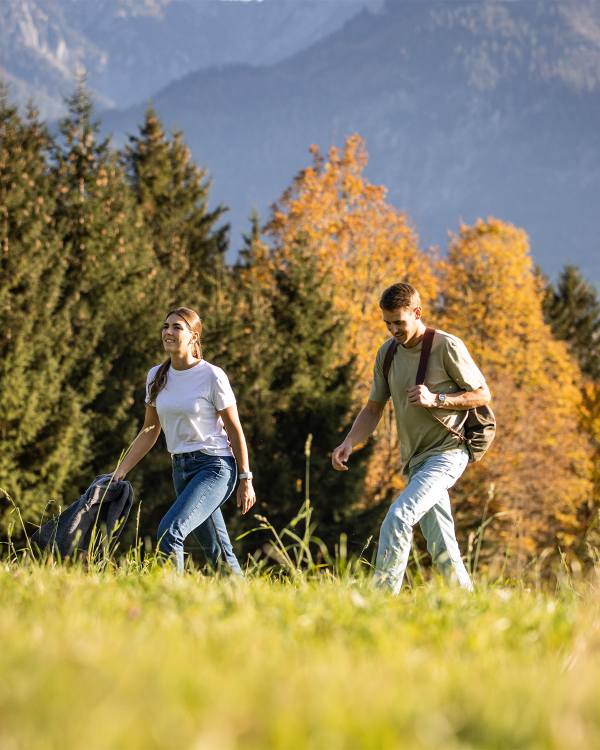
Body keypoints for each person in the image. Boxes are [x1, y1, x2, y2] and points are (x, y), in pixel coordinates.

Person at [332, 283, 490, 593]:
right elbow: (374, 408)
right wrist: (350, 441)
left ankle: (381, 601)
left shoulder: (446, 346)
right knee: (441, 543)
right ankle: (468, 603)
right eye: (387, 323)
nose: (393, 330)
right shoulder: (387, 353)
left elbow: (482, 394)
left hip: (448, 453)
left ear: (417, 313)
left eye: (399, 322)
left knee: (399, 516)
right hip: (414, 462)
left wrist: (438, 400)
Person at [112, 307, 255, 574]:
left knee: (170, 529)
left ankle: (171, 601)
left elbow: (235, 430)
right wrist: (121, 469)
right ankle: (243, 602)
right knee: (218, 550)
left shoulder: (212, 375)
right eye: (166, 326)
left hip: (215, 467)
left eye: (177, 327)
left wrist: (246, 479)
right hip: (181, 469)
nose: (168, 331)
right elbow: (150, 430)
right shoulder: (156, 376)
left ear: (193, 336)